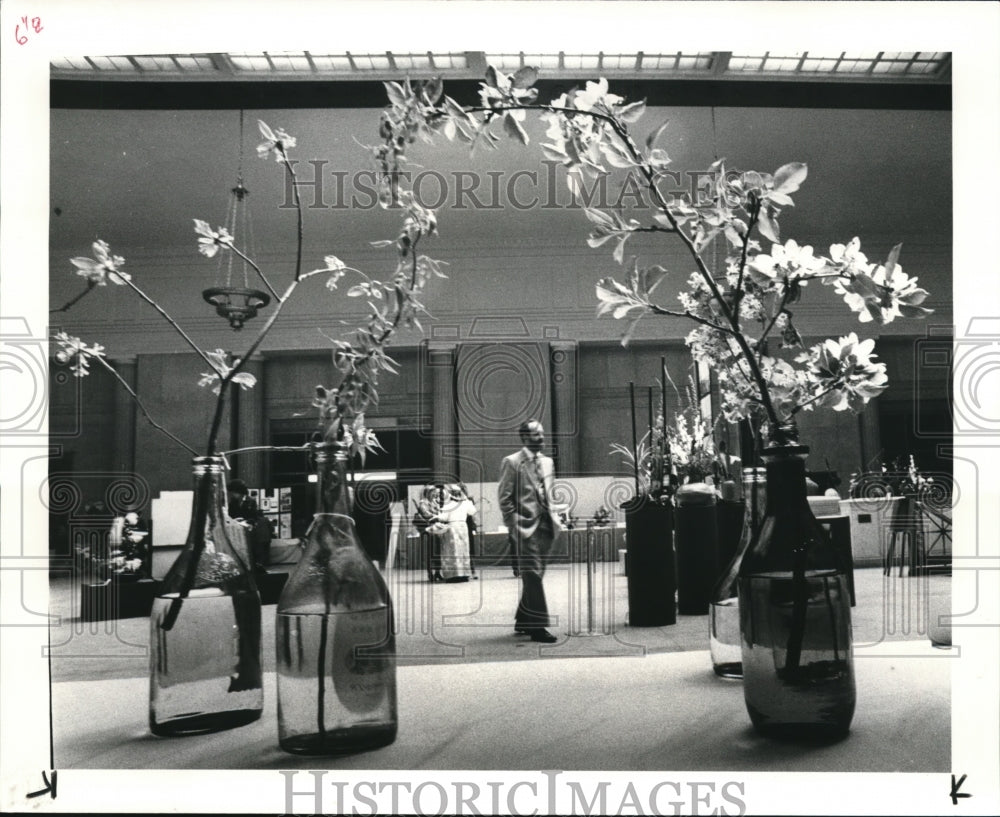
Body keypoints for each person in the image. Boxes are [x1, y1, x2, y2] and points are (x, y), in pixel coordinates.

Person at [498, 419, 562, 644]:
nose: (542, 438)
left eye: (543, 433)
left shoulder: (548, 463)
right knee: (533, 574)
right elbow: (504, 499)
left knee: (535, 575)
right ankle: (537, 626)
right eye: (536, 434)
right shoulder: (512, 462)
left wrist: (556, 515)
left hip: (547, 526)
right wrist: (515, 525)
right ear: (525, 437)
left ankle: (523, 619)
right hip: (525, 529)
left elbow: (549, 493)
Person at [226, 479, 272, 574]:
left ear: (240, 491)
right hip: (237, 529)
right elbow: (230, 515)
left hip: (249, 529)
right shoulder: (232, 502)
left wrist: (246, 521)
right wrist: (234, 520)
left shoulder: (251, 501)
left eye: (234, 493)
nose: (233, 495)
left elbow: (254, 517)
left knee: (252, 550)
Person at [436, 484, 476, 582]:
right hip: (463, 527)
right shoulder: (465, 503)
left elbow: (444, 517)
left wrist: (437, 515)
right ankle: (464, 574)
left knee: (452, 552)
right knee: (464, 551)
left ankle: (453, 575)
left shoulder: (449, 504)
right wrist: (467, 499)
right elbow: (472, 511)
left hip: (452, 528)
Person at [413, 484, 445, 582]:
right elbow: (426, 514)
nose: (436, 495)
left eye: (436, 493)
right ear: (428, 493)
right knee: (430, 552)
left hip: (436, 530)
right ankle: (430, 572)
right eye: (434, 493)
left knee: (438, 552)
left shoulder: (435, 502)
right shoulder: (423, 503)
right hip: (428, 530)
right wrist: (436, 515)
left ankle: (438, 572)